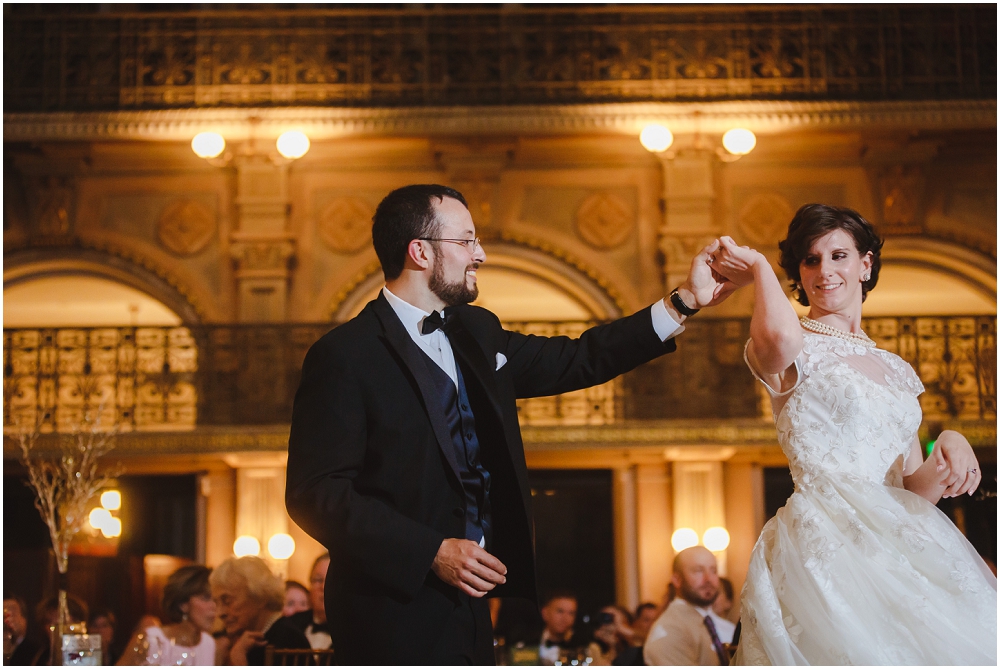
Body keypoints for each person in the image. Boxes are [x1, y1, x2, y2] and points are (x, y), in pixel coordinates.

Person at [285, 184, 736, 664]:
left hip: (474, 607)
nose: (479, 254)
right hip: (387, 608)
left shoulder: (476, 331)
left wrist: (684, 302)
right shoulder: (343, 355)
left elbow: (576, 357)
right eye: (465, 241)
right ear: (419, 251)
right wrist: (432, 551)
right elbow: (317, 494)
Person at [710, 203, 997, 664]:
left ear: (865, 264)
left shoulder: (896, 370)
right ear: (798, 275)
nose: (825, 271)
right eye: (811, 260)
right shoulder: (790, 346)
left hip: (899, 548)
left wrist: (950, 442)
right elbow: (780, 340)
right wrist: (760, 266)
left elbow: (910, 491)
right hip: (826, 542)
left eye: (839, 256)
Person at [210, 556, 310, 665]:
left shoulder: (287, 640)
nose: (220, 612)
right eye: (216, 603)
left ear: (259, 597)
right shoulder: (249, 639)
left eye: (227, 601)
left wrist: (238, 659)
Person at [643, 546, 735, 666]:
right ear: (677, 579)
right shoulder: (669, 630)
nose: (708, 579)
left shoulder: (713, 623)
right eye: (698, 571)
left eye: (713, 570)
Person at [117, 565, 216, 666]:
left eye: (216, 599)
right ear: (183, 604)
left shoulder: (210, 645)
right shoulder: (150, 639)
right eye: (206, 598)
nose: (214, 606)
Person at [285, 553, 332, 651]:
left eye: (330, 580)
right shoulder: (290, 625)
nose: (323, 587)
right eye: (318, 580)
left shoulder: (356, 630)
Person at [537, 592, 580, 664]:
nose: (565, 618)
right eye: (560, 611)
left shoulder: (582, 647)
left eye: (571, 613)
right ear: (545, 613)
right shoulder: (526, 643)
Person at [4, 594, 43, 665]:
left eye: (12, 615)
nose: (7, 620)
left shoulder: (35, 652)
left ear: (24, 619)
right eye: (4, 616)